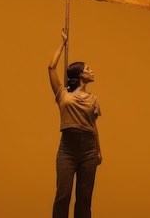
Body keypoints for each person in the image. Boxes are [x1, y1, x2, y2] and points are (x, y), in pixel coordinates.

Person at [48, 29, 102, 218]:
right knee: (62, 196)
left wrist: (98, 151)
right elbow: (51, 68)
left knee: (84, 199)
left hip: (88, 149)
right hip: (67, 151)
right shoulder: (63, 94)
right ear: (79, 74)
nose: (92, 71)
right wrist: (63, 43)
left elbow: (93, 126)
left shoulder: (93, 99)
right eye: (87, 69)